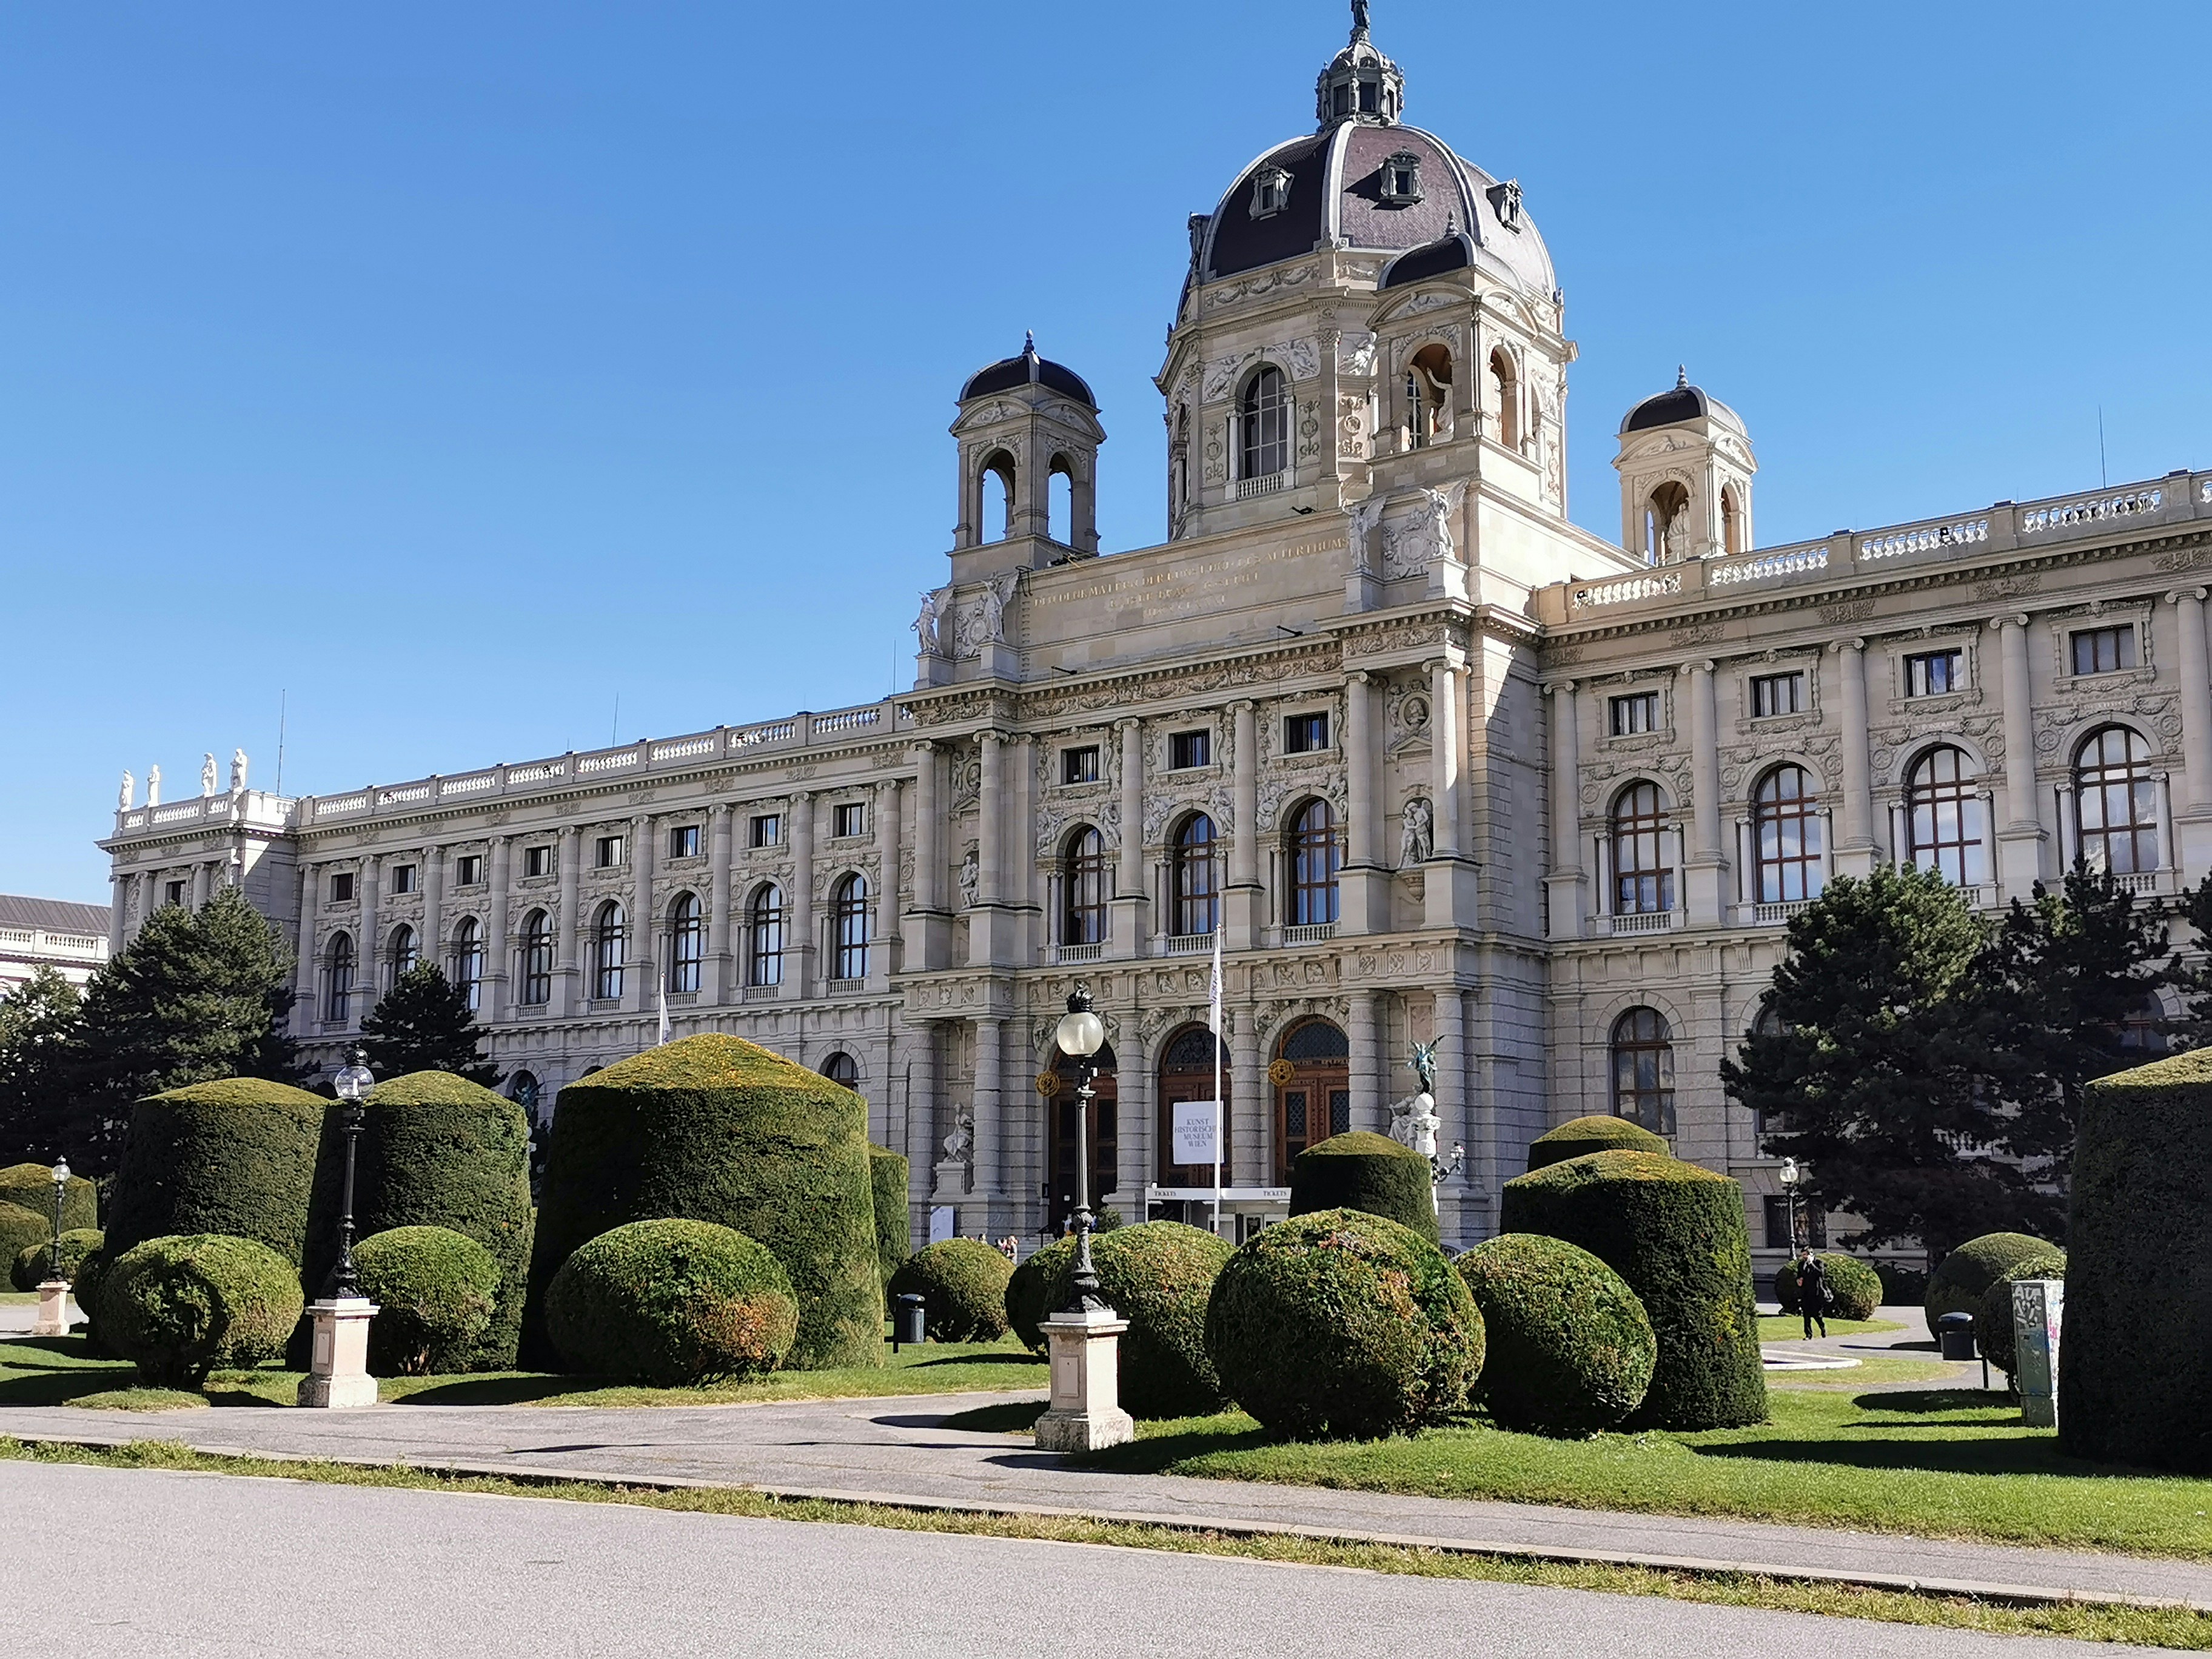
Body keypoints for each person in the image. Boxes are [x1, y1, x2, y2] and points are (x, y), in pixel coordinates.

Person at [1797, 1250, 1829, 1339]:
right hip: (1806, 1293)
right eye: (1803, 1255)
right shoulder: (1801, 1265)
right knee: (1806, 1315)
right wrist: (1799, 1280)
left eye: (1805, 1255)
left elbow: (1820, 1274)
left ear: (1810, 1254)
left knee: (1817, 1314)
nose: (1804, 1257)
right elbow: (1799, 1275)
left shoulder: (1818, 1263)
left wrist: (1811, 1264)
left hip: (1816, 1293)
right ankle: (1808, 1334)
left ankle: (1822, 1328)